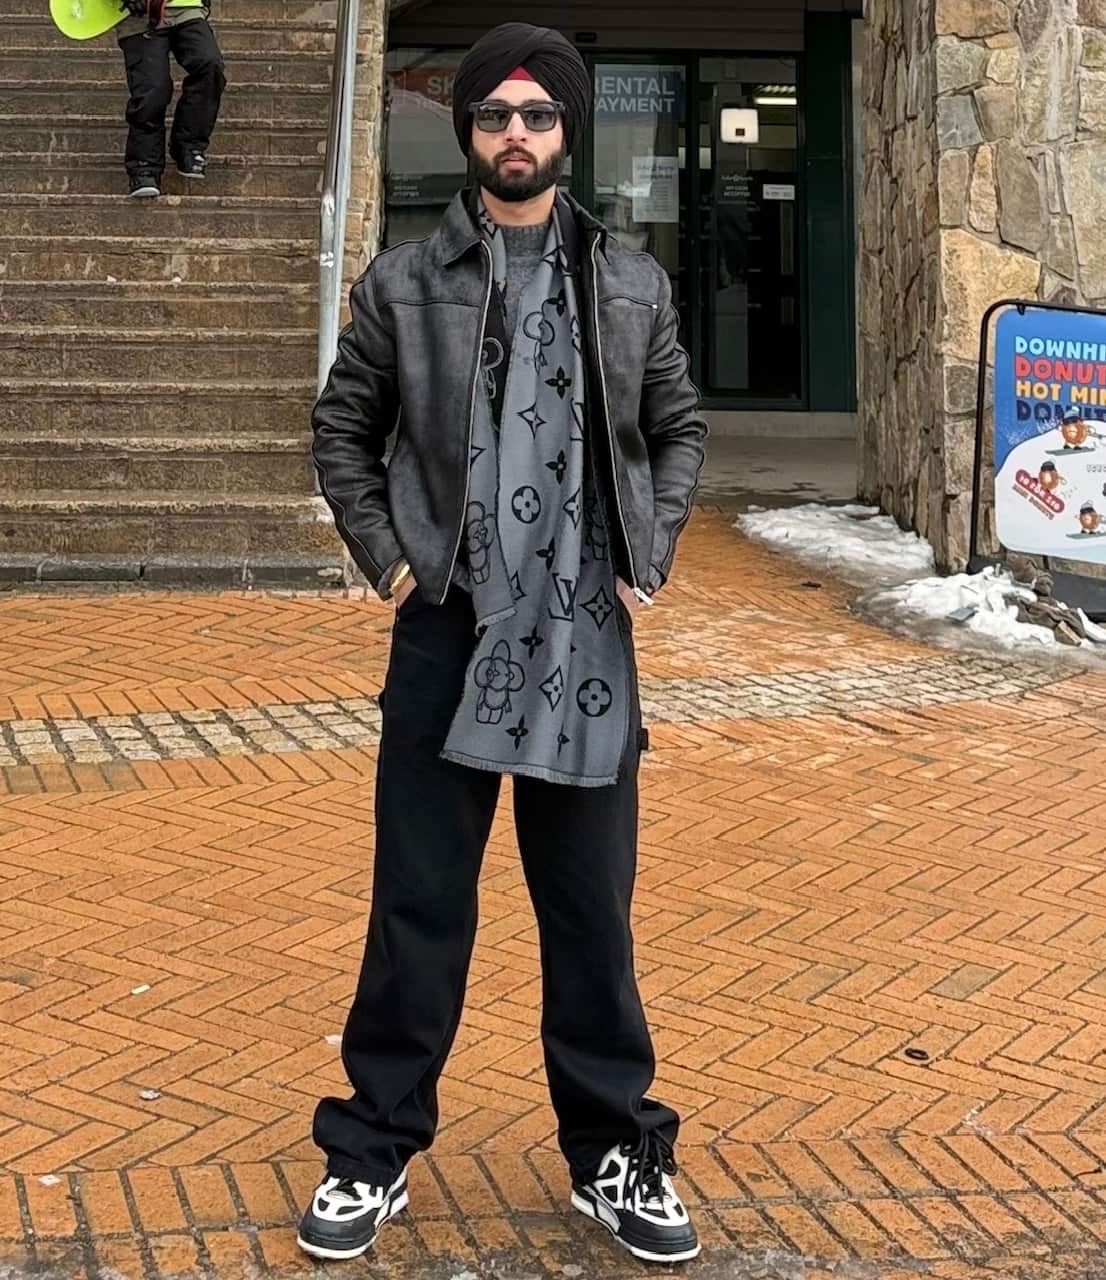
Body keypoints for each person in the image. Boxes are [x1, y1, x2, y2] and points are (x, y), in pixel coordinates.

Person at [299, 21, 707, 1266]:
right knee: (418, 903)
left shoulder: (628, 281)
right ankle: (371, 1145)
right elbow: (341, 431)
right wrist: (394, 558)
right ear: (469, 134)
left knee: (590, 912)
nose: (515, 133)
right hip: (447, 634)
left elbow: (677, 424)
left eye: (536, 113)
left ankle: (612, 1150)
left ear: (566, 131)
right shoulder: (401, 282)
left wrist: (651, 548)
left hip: (584, 641)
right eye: (494, 115)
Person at [117, 0, 225, 197]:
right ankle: (144, 167)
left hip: (186, 8)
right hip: (138, 13)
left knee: (210, 66)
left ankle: (188, 146)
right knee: (152, 89)